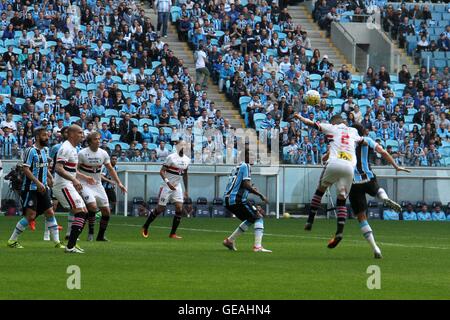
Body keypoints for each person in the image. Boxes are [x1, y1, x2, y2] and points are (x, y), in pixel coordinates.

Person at [294, 113, 363, 248]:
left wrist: (301, 118)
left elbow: (312, 124)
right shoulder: (353, 131)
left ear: (335, 123)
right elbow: (363, 141)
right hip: (349, 167)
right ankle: (339, 231)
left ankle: (310, 221)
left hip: (334, 163)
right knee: (342, 197)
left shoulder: (332, 128)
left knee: (320, 190)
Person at [348, 123, 411, 258]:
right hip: (368, 177)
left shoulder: (346, 143)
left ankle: (376, 248)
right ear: (363, 131)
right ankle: (383, 197)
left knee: (361, 217)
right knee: (377, 189)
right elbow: (383, 152)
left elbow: (331, 156)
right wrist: (396, 166)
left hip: (353, 182)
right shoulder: (368, 140)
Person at [7, 127, 64, 249]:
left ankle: (57, 242)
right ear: (38, 137)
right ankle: (12, 240)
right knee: (30, 216)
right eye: (44, 135)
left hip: (43, 188)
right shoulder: (30, 150)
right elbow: (25, 169)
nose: (47, 137)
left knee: (50, 212)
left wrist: (50, 177)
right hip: (31, 188)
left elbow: (44, 167)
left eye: (47, 135)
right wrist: (37, 182)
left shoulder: (45, 151)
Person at [222, 142, 271, 253]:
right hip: (236, 199)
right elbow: (245, 185)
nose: (254, 158)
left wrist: (251, 190)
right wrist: (260, 195)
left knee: (251, 218)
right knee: (258, 216)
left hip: (228, 200)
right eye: (252, 155)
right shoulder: (246, 165)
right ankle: (258, 247)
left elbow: (240, 185)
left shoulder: (237, 167)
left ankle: (229, 241)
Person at [78, 132, 127, 241]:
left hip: (97, 184)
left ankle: (100, 236)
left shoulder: (103, 153)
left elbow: (110, 169)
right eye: (96, 139)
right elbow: (74, 170)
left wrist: (119, 183)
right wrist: (84, 177)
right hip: (85, 184)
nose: (98, 141)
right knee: (92, 206)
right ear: (90, 142)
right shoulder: (82, 153)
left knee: (106, 211)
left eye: (99, 139)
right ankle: (90, 233)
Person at [141, 140, 190, 239]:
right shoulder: (171, 157)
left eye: (185, 145)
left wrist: (186, 189)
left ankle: (172, 233)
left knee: (179, 208)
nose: (183, 147)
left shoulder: (187, 159)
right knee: (160, 209)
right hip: (166, 186)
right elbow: (162, 171)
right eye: (181, 145)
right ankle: (145, 226)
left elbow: (185, 174)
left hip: (177, 186)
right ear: (177, 147)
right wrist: (168, 183)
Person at [52, 125, 90, 253]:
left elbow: (71, 169)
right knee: (81, 212)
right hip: (63, 184)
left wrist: (82, 177)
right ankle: (70, 246)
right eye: (80, 133)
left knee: (84, 212)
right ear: (72, 134)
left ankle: (72, 244)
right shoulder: (66, 148)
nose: (82, 135)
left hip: (68, 183)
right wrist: (73, 180)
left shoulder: (73, 148)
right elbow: (58, 168)